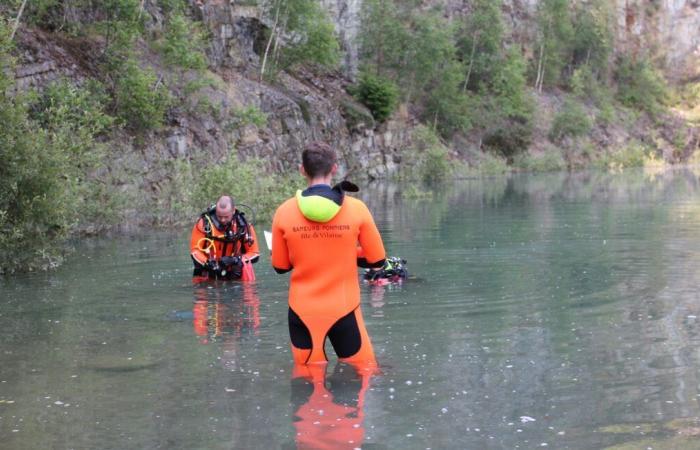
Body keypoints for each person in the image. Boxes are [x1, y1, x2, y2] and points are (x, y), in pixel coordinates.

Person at [271, 141, 386, 365]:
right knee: (362, 373)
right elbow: (377, 260)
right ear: (334, 168)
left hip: (301, 310)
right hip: (344, 307)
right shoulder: (356, 209)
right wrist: (345, 251)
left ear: (302, 170)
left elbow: (281, 266)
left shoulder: (284, 212)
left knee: (306, 383)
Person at [190, 195, 259, 281]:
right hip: (208, 273)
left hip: (234, 274)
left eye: (226, 217)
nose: (223, 220)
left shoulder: (242, 226)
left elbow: (254, 254)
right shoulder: (204, 224)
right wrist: (208, 263)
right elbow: (195, 252)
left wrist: (235, 260)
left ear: (233, 211)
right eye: (219, 216)